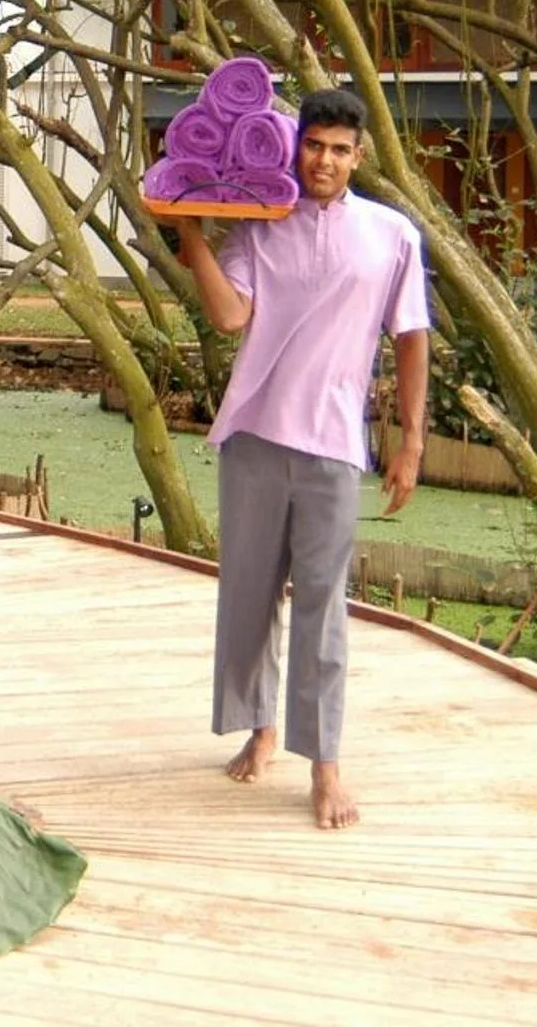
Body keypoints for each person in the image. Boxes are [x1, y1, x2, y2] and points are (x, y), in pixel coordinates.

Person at [162, 86, 430, 830]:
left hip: (336, 445)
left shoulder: (391, 235)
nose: (324, 160)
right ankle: (261, 729)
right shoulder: (258, 227)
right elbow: (226, 315)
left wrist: (409, 441)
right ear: (294, 144)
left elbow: (411, 337)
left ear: (358, 156)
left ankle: (325, 763)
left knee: (322, 606)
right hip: (253, 435)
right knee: (246, 593)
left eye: (340, 149)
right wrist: (192, 236)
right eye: (314, 144)